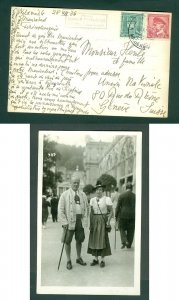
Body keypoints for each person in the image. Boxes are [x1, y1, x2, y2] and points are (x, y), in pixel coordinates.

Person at [58, 173, 88, 270]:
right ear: (70, 183)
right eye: (74, 183)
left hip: (80, 220)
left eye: (77, 183)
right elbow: (61, 210)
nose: (76, 184)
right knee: (67, 241)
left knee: (79, 240)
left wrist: (85, 220)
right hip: (69, 221)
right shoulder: (64, 195)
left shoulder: (83, 195)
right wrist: (64, 222)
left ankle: (78, 258)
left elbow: (87, 208)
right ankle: (68, 260)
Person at [87, 181, 113, 268]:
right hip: (94, 221)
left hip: (103, 220)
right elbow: (91, 213)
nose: (99, 191)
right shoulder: (92, 200)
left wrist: (108, 222)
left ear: (103, 191)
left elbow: (111, 212)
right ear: (95, 191)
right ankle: (95, 258)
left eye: (100, 190)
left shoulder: (107, 199)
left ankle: (102, 259)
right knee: (94, 239)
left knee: (102, 239)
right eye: (97, 190)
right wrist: (90, 224)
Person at [115, 183, 135, 249]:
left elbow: (118, 206)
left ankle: (124, 240)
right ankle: (129, 244)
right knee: (131, 230)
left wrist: (116, 215)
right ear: (131, 188)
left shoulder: (121, 195)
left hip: (123, 215)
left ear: (126, 188)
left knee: (121, 228)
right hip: (132, 215)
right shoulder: (135, 196)